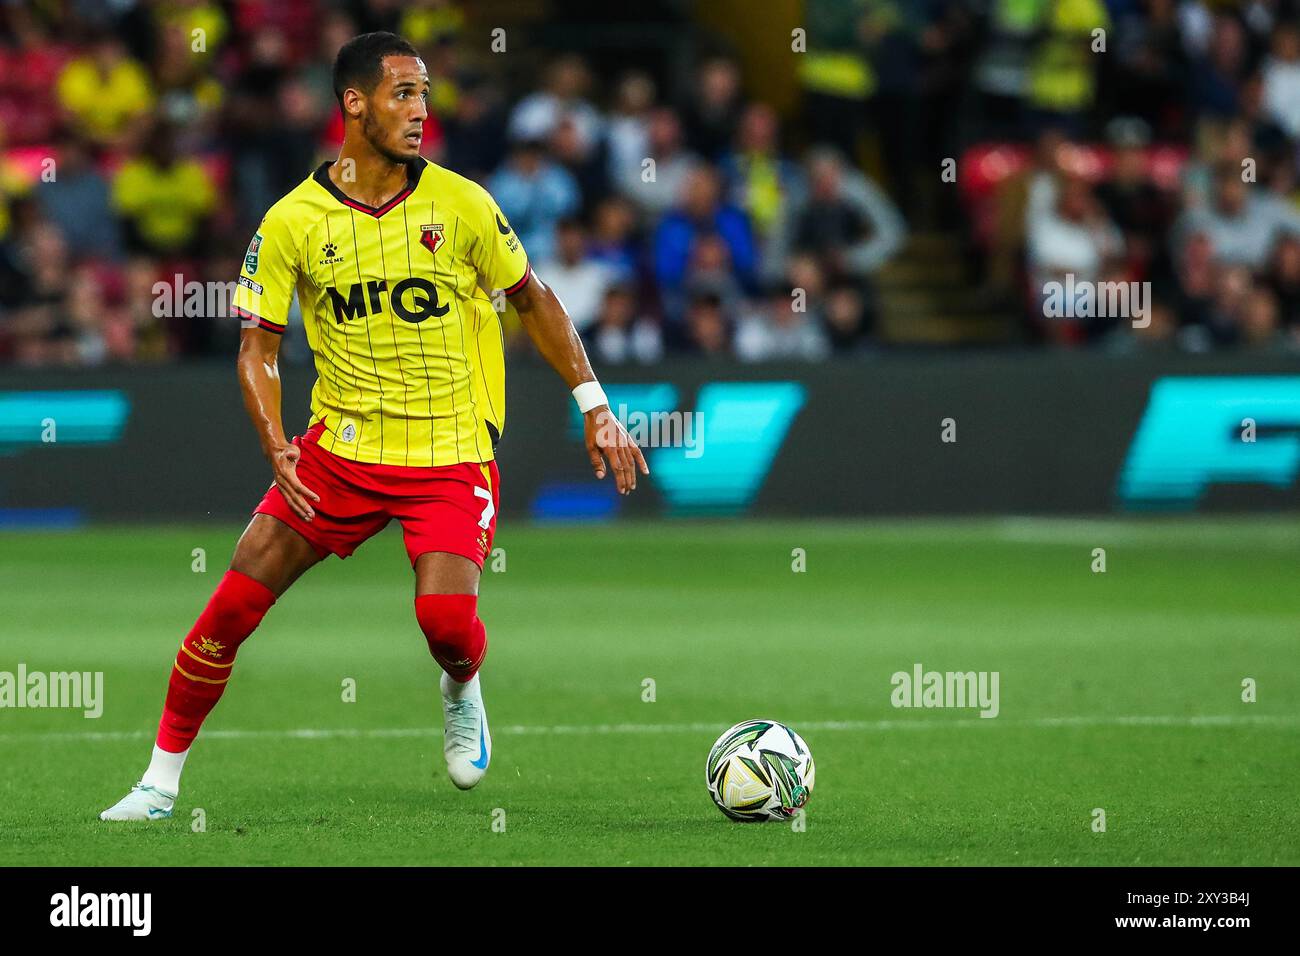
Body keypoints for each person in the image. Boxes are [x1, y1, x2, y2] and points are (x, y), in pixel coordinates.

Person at [99, 32, 647, 821]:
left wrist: (596, 407)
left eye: (424, 94)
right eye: (403, 94)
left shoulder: (462, 203)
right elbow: (258, 345)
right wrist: (274, 439)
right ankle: (158, 782)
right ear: (353, 103)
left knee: (446, 623)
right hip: (339, 455)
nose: (421, 111)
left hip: (451, 451)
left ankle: (461, 682)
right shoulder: (293, 220)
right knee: (227, 609)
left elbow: (533, 298)